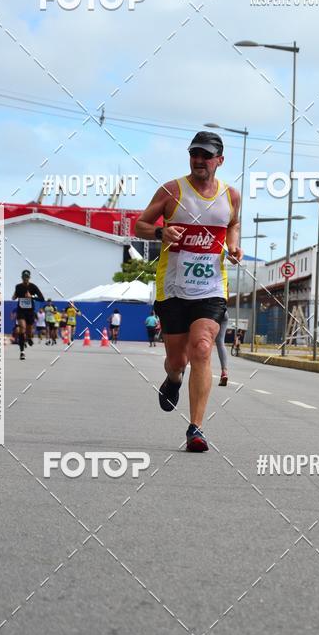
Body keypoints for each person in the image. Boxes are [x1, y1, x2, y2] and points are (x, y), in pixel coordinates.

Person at [134, 130, 242, 451]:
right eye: (195, 154)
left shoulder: (231, 196)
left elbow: (232, 224)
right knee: (177, 360)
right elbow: (139, 224)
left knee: (203, 348)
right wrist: (160, 232)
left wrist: (234, 246)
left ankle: (195, 428)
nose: (199, 160)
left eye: (206, 156)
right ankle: (174, 379)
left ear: (219, 161)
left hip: (211, 288)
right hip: (173, 288)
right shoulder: (171, 190)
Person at [11, 270, 44, 360]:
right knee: (22, 328)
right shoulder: (18, 286)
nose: (26, 278)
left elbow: (42, 298)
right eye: (24, 277)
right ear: (22, 277)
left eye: (27, 277)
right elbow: (15, 295)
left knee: (29, 331)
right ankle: (22, 352)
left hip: (30, 311)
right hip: (21, 311)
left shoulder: (33, 287)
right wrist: (14, 297)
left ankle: (29, 337)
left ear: (29, 277)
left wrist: (32, 297)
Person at [215, 310, 229, 386]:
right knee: (220, 341)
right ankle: (224, 372)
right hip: (224, 312)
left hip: (210, 310)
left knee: (205, 343)